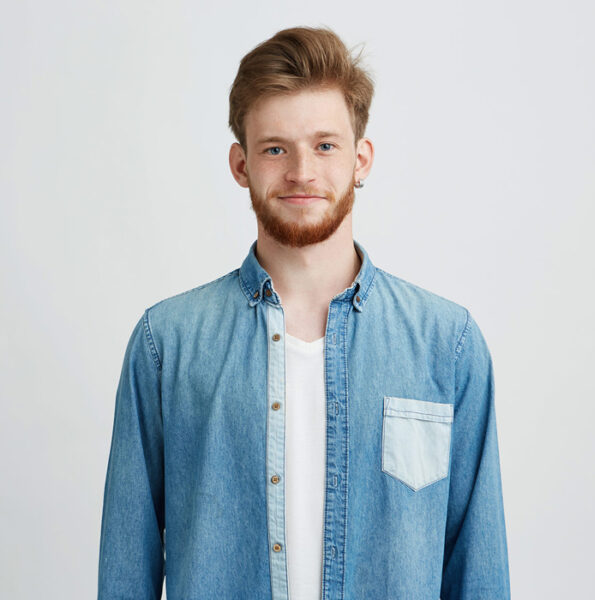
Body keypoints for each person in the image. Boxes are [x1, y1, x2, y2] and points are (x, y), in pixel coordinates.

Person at [97, 26, 510, 600]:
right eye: (275, 148)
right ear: (241, 165)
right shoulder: (166, 344)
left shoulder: (448, 344)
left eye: (325, 146)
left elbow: (479, 572)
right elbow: (126, 571)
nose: (301, 172)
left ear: (360, 159)